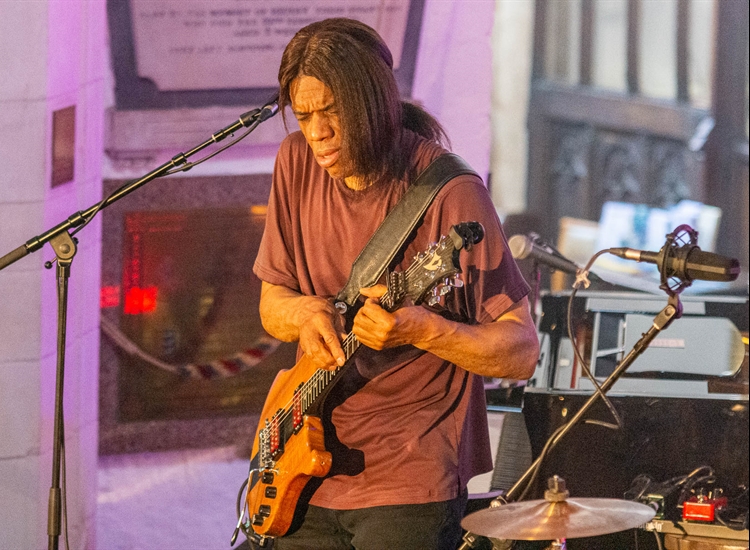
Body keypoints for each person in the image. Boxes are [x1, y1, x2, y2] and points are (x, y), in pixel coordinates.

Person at [252, 18, 539, 550]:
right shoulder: (294, 162)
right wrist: (303, 314)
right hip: (302, 459)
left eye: (330, 112)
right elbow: (272, 304)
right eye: (304, 114)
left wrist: (424, 329)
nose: (316, 133)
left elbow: (521, 352)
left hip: (411, 471)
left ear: (370, 103)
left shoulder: (452, 194)